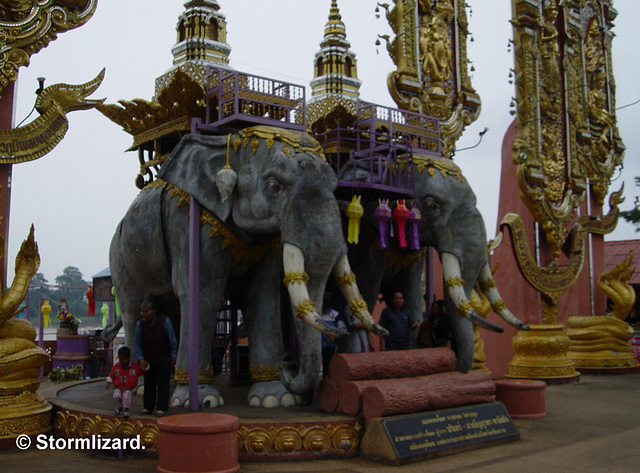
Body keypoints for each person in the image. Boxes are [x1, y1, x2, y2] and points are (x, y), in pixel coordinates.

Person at [134, 298, 177, 417]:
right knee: (149, 384)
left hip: (163, 358)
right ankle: (148, 407)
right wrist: (140, 358)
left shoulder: (165, 321)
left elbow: (172, 339)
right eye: (142, 312)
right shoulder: (140, 325)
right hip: (148, 359)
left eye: (146, 312)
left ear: (153, 311)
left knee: (163, 384)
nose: (143, 314)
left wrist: (173, 354)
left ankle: (162, 408)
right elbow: (137, 343)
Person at [106, 346, 143, 419]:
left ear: (128, 358)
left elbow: (140, 371)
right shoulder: (116, 366)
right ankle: (120, 407)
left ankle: (126, 410)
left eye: (124, 360)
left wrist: (144, 367)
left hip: (128, 387)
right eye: (120, 359)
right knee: (116, 396)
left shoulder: (134, 366)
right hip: (118, 386)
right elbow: (112, 374)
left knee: (126, 397)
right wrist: (109, 382)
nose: (122, 361)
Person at [321, 294, 345, 377]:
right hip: (317, 345)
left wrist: (334, 336)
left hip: (329, 345)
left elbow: (342, 329)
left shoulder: (335, 314)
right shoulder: (315, 314)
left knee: (328, 364)